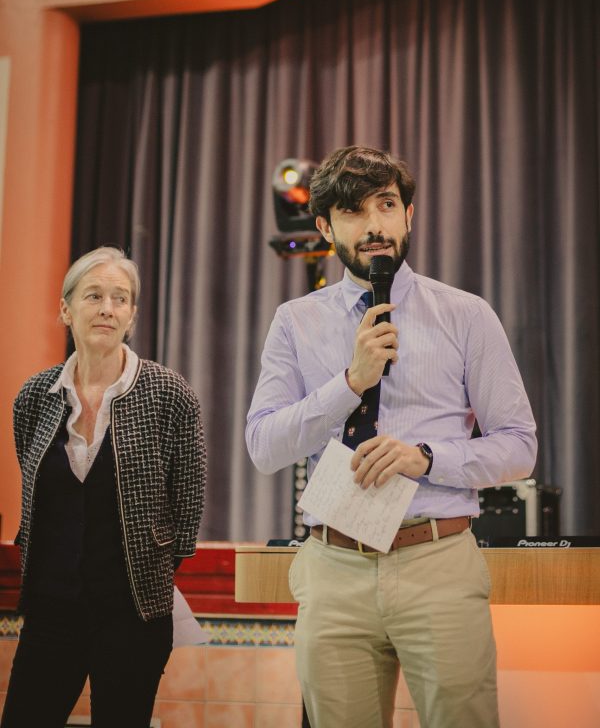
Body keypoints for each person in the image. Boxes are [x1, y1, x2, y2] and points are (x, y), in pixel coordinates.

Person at [246, 146, 537, 728]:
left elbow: (519, 446)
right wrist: (350, 383)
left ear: (409, 215)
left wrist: (425, 458)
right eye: (353, 211)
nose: (375, 225)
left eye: (385, 205)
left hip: (437, 561)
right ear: (325, 227)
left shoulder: (466, 315)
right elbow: (264, 447)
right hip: (333, 567)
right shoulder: (295, 321)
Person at [1, 246, 207, 728]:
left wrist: (146, 571)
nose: (107, 309)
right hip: (50, 610)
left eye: (120, 298)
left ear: (132, 314)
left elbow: (187, 511)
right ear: (65, 309)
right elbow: (37, 501)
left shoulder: (170, 394)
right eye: (93, 296)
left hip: (134, 614)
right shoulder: (34, 396)